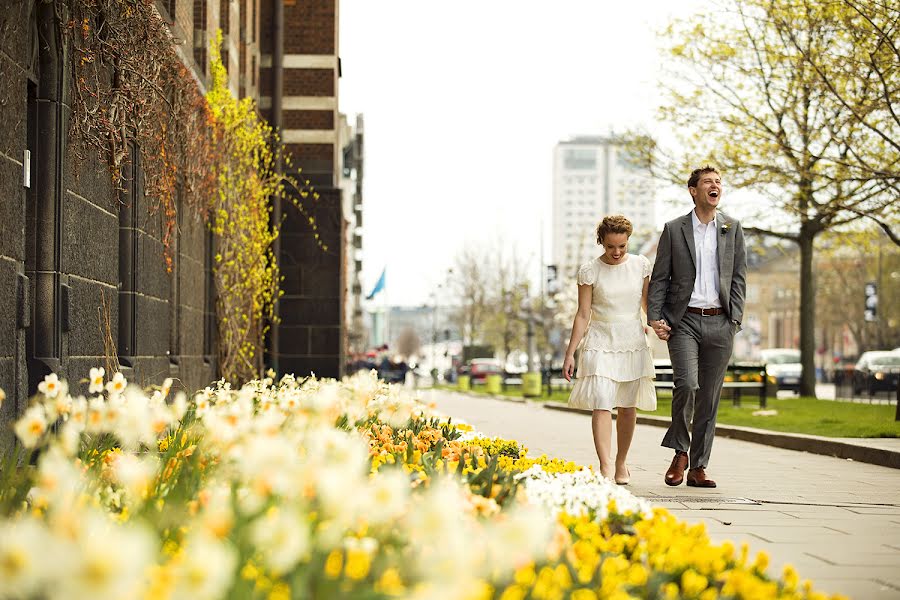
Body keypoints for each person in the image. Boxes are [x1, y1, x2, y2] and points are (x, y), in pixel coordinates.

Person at [647, 166, 746, 489]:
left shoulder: (732, 228)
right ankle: (680, 452)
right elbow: (660, 277)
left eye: (718, 182)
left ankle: (699, 466)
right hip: (685, 320)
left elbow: (739, 276)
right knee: (687, 385)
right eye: (708, 182)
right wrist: (655, 316)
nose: (715, 186)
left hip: (721, 321)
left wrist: (735, 319)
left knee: (710, 397)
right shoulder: (674, 229)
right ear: (693, 190)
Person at [563, 215, 657, 484]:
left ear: (628, 242)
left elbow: (647, 304)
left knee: (628, 406)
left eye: (622, 247)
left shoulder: (640, 265)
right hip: (600, 341)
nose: (616, 252)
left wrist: (657, 325)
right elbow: (582, 314)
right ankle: (605, 466)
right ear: (601, 242)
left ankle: (621, 463)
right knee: (602, 403)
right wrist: (571, 353)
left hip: (631, 340)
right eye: (610, 246)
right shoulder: (589, 271)